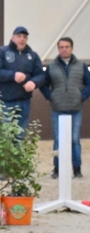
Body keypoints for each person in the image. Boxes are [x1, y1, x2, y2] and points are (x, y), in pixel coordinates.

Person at [39, 37, 90, 178]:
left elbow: (89, 83)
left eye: (67, 46)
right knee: (58, 139)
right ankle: (57, 169)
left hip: (76, 108)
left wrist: (82, 95)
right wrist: (51, 96)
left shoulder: (81, 66)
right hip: (57, 108)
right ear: (58, 49)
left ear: (72, 48)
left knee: (74, 139)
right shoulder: (51, 66)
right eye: (61, 47)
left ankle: (77, 169)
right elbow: (43, 84)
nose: (64, 49)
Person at [0, 25, 44, 131]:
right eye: (19, 36)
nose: (22, 39)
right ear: (12, 37)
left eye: (24, 37)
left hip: (24, 102)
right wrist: (12, 75)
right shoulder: (1, 52)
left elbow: (41, 75)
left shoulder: (33, 56)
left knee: (20, 136)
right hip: (5, 102)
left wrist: (34, 82)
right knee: (4, 135)